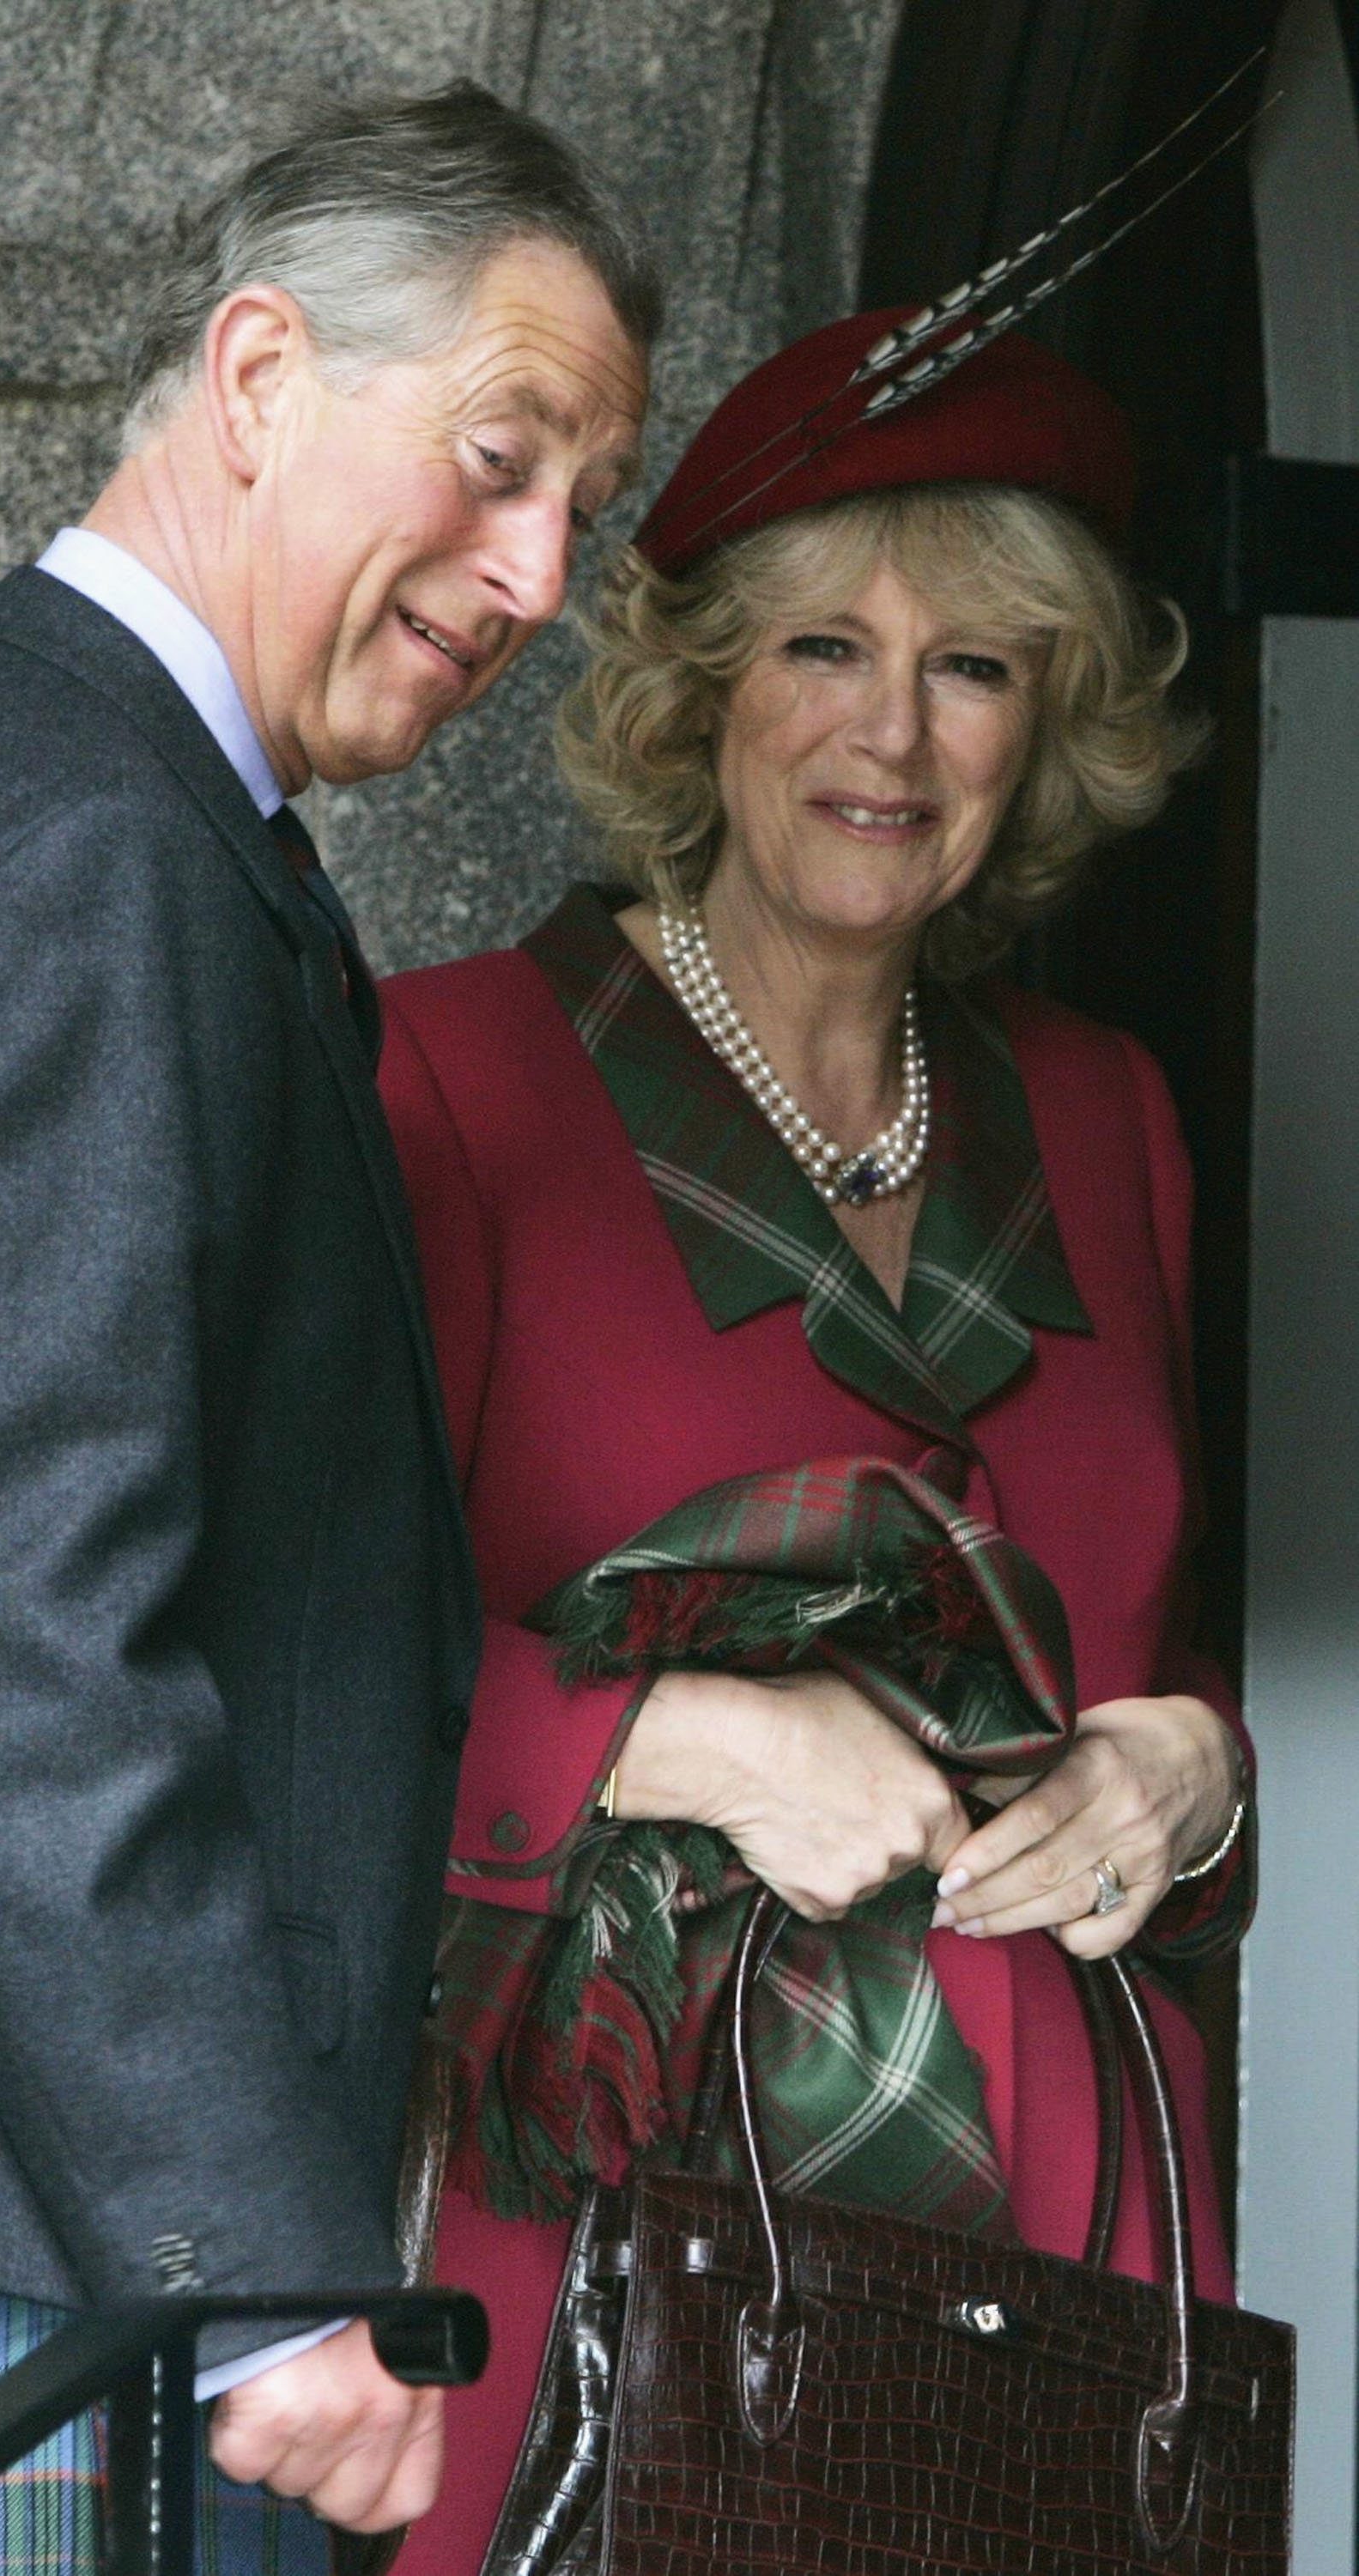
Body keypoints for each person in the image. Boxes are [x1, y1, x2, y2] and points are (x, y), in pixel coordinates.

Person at [0, 83, 655, 2573]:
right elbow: (19, 1626)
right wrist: (254, 2276)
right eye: (495, 454)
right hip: (33, 2311)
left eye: (579, 499)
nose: (542, 563)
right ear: (257, 379)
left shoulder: (11, 783)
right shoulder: (92, 855)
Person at [378, 310, 1253, 2573]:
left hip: (1072, 2266)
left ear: (1044, 724)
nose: (893, 729)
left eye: (973, 667)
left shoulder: (1105, 1113)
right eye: (824, 650)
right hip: (630, 2249)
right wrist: (691, 1742)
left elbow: (1153, 1641)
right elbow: (278, 1672)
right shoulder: (454, 1086)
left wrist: (1190, 1772)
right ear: (703, 691)